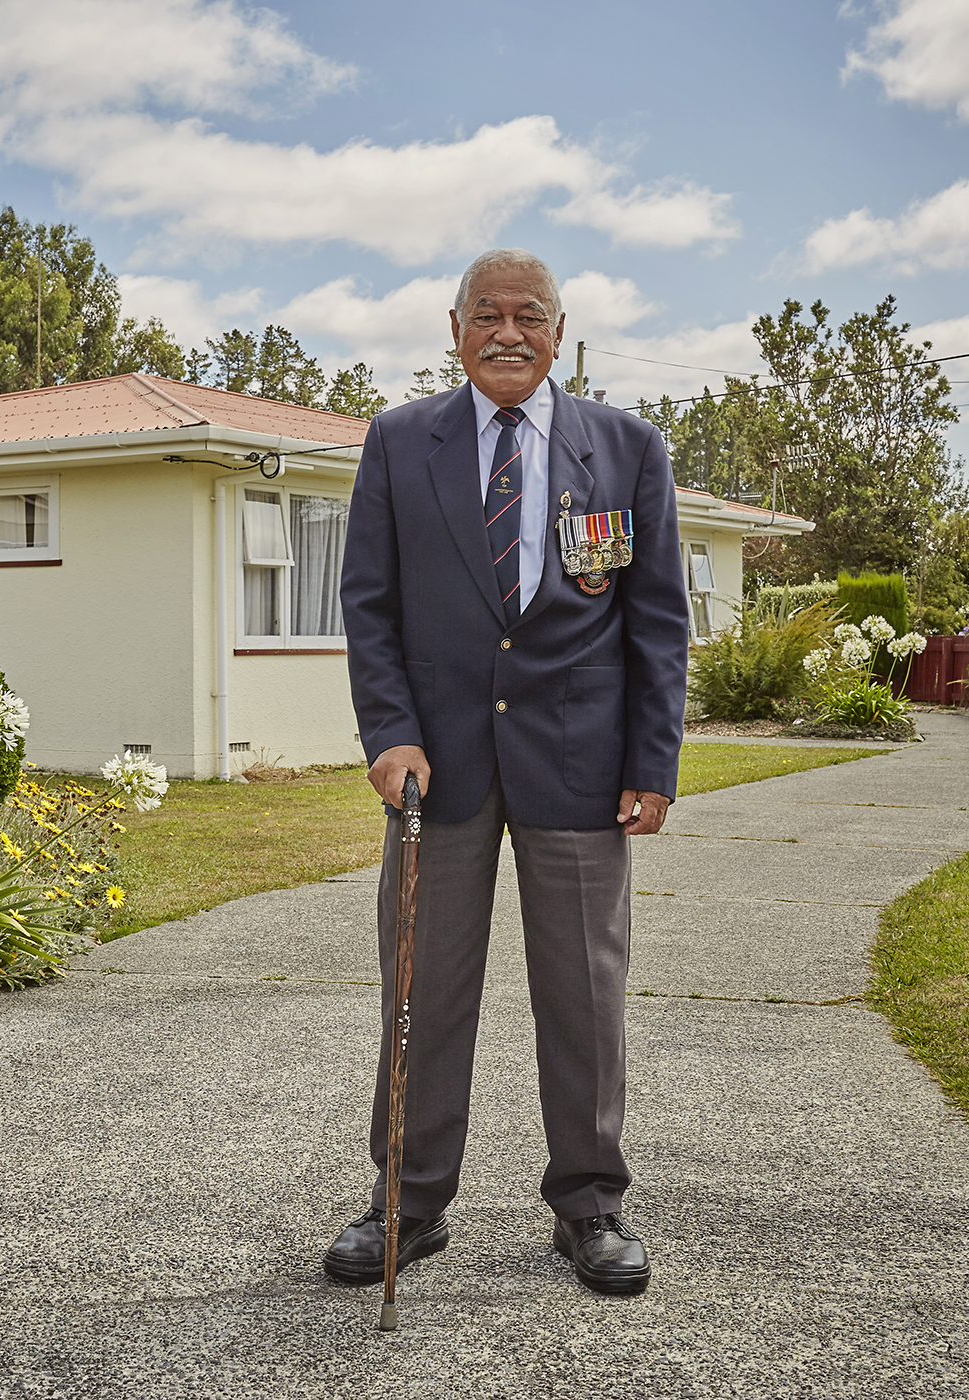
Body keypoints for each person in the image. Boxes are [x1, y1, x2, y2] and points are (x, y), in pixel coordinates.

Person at [326, 248, 690, 1296]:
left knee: (584, 995)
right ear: (454, 328)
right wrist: (388, 731)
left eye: (528, 314)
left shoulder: (626, 448)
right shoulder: (400, 442)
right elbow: (370, 602)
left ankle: (591, 1203)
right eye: (487, 314)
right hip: (433, 770)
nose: (507, 331)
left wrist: (651, 763)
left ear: (559, 332)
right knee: (422, 991)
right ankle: (408, 1199)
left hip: (580, 763)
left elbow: (658, 622)